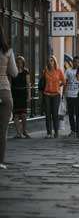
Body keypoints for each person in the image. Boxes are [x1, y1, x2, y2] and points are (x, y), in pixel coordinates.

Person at [0, 25, 17, 169]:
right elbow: (14, 72)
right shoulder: (8, 51)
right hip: (4, 91)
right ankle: (0, 161)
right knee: (3, 129)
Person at [42, 55, 65, 139]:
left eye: (52, 60)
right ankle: (49, 133)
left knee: (55, 114)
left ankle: (56, 132)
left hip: (56, 95)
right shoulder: (45, 71)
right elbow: (43, 82)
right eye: (49, 60)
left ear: (54, 62)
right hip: (47, 94)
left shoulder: (59, 71)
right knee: (47, 114)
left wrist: (58, 86)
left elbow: (64, 81)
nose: (50, 62)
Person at [11, 56, 31, 139]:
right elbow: (10, 83)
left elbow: (28, 84)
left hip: (23, 94)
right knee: (15, 115)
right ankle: (18, 133)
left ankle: (24, 131)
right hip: (15, 93)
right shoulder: (13, 72)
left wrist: (29, 95)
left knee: (23, 114)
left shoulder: (26, 72)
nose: (19, 64)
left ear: (23, 63)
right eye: (18, 62)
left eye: (21, 62)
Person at [64, 55, 79, 137]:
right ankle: (73, 130)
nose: (76, 64)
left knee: (78, 114)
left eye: (78, 62)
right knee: (70, 114)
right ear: (72, 62)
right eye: (75, 62)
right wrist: (63, 93)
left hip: (78, 96)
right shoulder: (68, 71)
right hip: (69, 95)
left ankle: (78, 130)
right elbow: (65, 82)